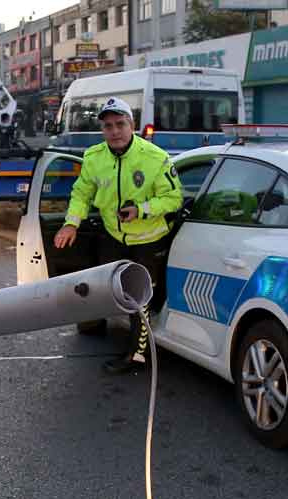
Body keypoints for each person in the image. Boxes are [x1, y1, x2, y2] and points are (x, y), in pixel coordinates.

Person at [54, 96, 182, 373]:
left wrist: (141, 209)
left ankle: (137, 355)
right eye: (108, 126)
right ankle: (95, 322)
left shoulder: (155, 158)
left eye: (120, 124)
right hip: (113, 235)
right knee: (103, 286)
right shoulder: (93, 157)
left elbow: (173, 199)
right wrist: (71, 224)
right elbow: (81, 194)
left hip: (148, 240)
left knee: (139, 299)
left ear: (132, 125)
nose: (114, 131)